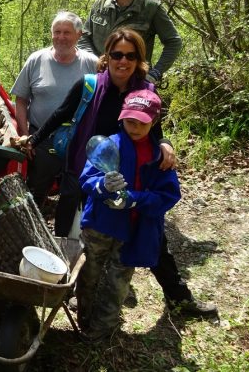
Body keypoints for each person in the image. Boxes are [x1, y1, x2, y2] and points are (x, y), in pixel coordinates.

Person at [26, 28, 216, 315]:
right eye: (117, 54)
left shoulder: (146, 92)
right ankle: (64, 289)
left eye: (130, 55)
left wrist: (164, 143)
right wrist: (32, 141)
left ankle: (179, 298)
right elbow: (60, 115)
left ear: (139, 59)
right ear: (108, 56)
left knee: (152, 237)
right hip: (84, 172)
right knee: (71, 232)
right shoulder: (89, 85)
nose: (123, 61)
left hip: (133, 177)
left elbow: (156, 130)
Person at [76, 89, 181, 341]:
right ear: (121, 117)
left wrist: (135, 199)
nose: (134, 128)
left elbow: (168, 195)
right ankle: (84, 317)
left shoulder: (159, 157)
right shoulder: (108, 144)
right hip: (100, 225)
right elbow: (87, 179)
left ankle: (103, 328)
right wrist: (103, 186)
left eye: (141, 123)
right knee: (88, 272)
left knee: (118, 281)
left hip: (134, 230)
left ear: (154, 122)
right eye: (129, 121)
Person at [10, 11, 97, 209]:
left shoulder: (91, 63)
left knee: (75, 192)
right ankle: (32, 229)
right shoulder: (36, 59)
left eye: (67, 32)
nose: (61, 37)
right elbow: (21, 100)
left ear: (79, 35)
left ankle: (70, 233)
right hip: (41, 137)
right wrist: (26, 137)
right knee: (36, 190)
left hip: (78, 139)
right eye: (56, 32)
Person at [78, 0, 182, 84]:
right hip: (99, 79)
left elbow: (174, 42)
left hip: (134, 81)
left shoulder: (150, 7)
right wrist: (94, 62)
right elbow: (84, 36)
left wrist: (155, 73)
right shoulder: (100, 2)